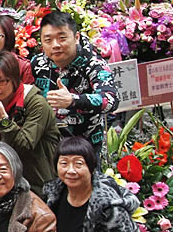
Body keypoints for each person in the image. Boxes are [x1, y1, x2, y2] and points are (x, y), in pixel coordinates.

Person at [31, 11, 120, 154]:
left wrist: (74, 100)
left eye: (62, 38)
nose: (55, 45)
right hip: (47, 147)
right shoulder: (37, 63)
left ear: (76, 37)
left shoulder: (93, 63)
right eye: (48, 40)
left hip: (84, 148)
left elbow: (111, 100)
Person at [0, 51, 60, 195]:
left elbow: (25, 144)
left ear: (15, 79)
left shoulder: (36, 103)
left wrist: (3, 120)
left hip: (39, 184)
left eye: (1, 81)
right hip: (4, 181)